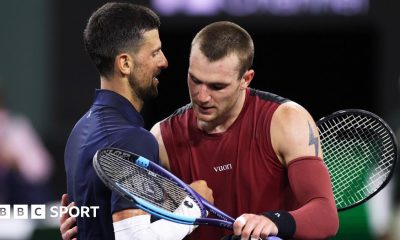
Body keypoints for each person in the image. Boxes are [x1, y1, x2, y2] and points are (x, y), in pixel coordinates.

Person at [61, 19, 339, 239]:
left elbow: (326, 216)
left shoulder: (286, 121)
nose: (202, 96)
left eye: (217, 86)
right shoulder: (161, 139)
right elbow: (140, 232)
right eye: (195, 80)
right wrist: (88, 228)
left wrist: (272, 222)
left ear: (246, 79)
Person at [63, 3, 213, 240]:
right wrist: (194, 204)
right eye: (155, 53)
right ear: (125, 64)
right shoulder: (133, 140)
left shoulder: (80, 130)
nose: (164, 62)